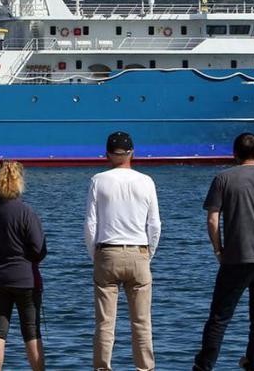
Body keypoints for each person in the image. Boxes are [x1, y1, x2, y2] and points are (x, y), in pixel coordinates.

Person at [193, 132, 254, 371]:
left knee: (219, 318)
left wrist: (218, 250)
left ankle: (204, 366)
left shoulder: (223, 179)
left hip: (235, 259)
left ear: (234, 153)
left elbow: (212, 220)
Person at [84, 131, 161, 371]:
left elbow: (90, 224)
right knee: (141, 322)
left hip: (107, 252)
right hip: (139, 252)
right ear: (132, 153)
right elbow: (155, 224)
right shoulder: (146, 181)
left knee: (105, 323)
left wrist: (94, 254)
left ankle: (103, 368)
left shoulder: (98, 180)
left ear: (107, 153)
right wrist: (148, 253)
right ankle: (145, 368)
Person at [0, 161, 47, 371]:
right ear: (20, 181)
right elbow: (39, 249)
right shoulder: (26, 212)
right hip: (25, 279)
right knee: (31, 330)